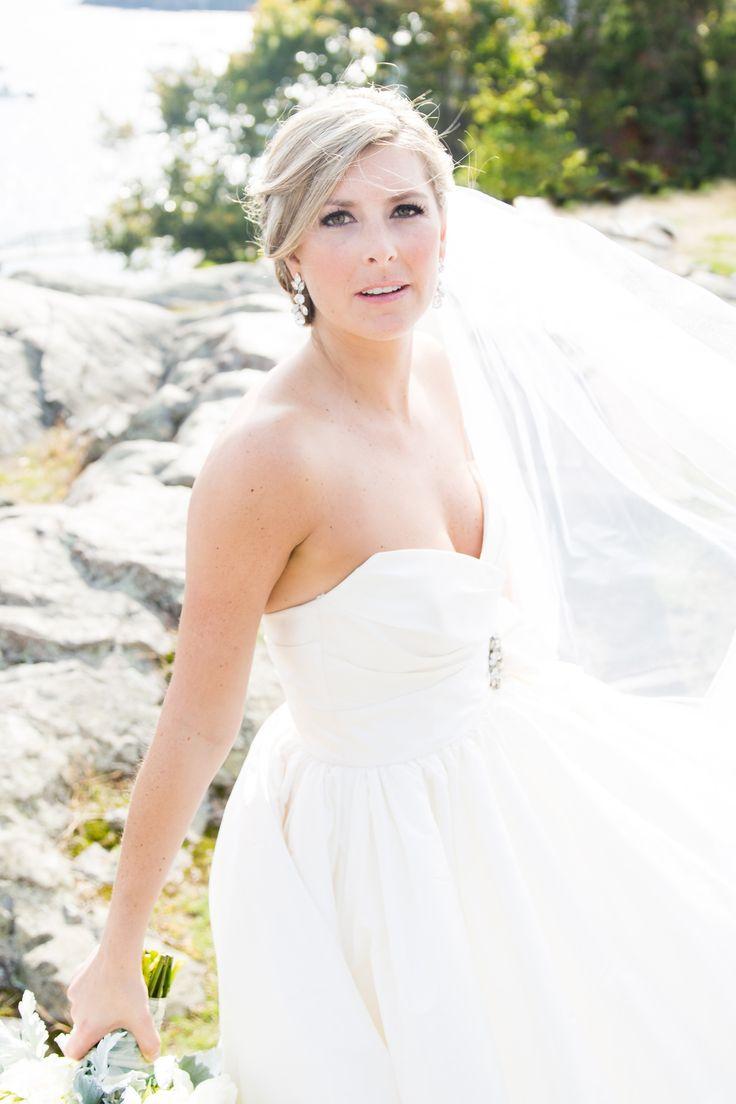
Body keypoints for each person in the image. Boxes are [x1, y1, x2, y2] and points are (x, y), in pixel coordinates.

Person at [63, 83, 736, 1103]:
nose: (381, 248)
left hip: (504, 772)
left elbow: (482, 601)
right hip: (375, 843)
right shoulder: (265, 460)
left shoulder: (443, 366)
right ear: (288, 252)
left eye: (403, 210)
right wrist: (120, 953)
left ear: (443, 226)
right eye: (338, 218)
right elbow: (197, 723)